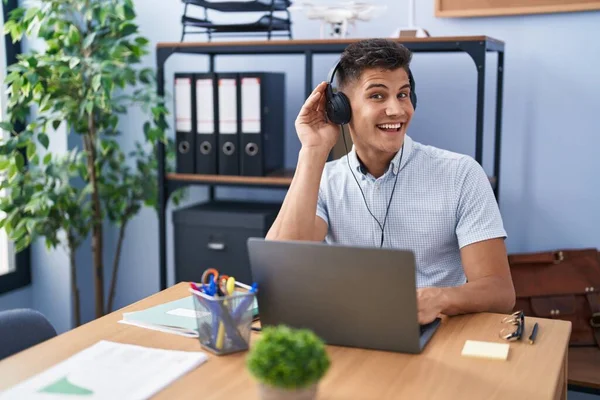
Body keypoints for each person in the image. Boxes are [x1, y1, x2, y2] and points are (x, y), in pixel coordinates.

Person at [265, 38, 515, 324]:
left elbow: (500, 293)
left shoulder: (461, 174)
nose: (397, 110)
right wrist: (313, 150)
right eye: (377, 96)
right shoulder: (325, 181)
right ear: (341, 109)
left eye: (403, 95)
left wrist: (439, 299)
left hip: (437, 332)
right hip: (352, 330)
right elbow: (279, 268)